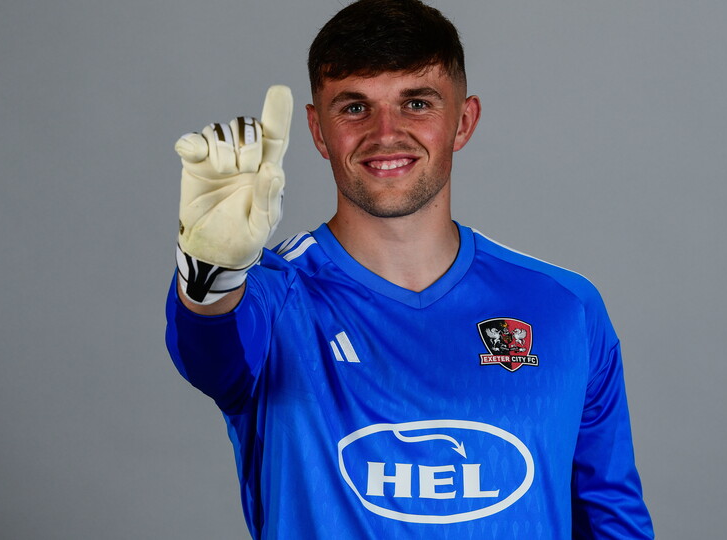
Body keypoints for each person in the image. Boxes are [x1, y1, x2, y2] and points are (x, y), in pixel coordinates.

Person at [166, 0, 654, 538]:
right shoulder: (271, 297)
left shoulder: (565, 309)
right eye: (354, 108)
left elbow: (613, 522)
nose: (386, 133)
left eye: (416, 103)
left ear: (463, 121)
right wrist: (209, 268)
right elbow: (209, 354)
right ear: (317, 129)